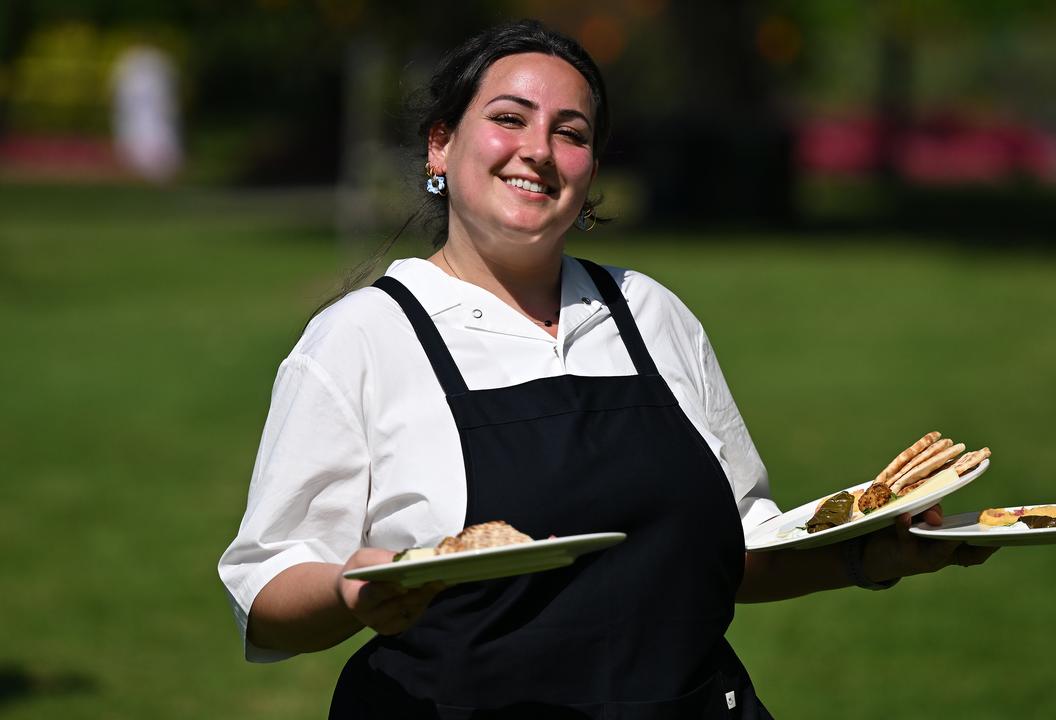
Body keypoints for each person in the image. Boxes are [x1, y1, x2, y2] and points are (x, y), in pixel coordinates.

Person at [217, 19, 995, 719]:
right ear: (439, 145)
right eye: (508, 119)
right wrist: (351, 591)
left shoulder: (649, 312)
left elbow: (736, 550)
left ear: (590, 170)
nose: (537, 150)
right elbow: (265, 585)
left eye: (571, 131)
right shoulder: (361, 338)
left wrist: (865, 555)